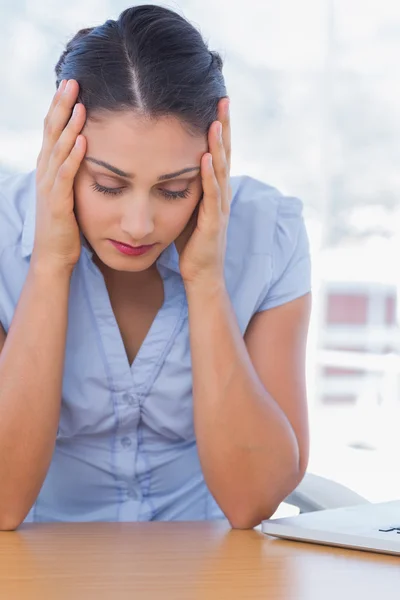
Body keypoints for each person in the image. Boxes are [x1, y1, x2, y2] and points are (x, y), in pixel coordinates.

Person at [0, 4, 311, 530]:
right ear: (60, 152)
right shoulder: (7, 236)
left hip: (212, 570)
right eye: (107, 185)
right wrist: (51, 263)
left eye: (174, 189)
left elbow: (253, 500)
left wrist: (206, 281)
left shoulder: (268, 233)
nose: (139, 224)